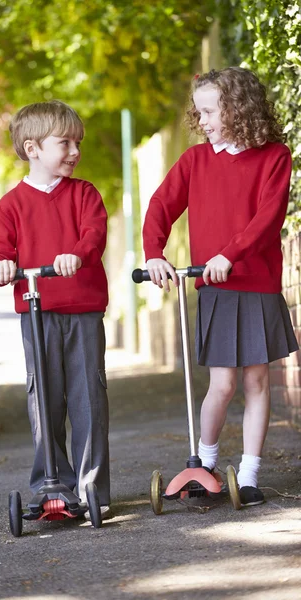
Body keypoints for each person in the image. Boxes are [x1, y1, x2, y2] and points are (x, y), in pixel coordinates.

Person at [143, 67, 299, 507]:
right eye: (199, 111)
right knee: (222, 384)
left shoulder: (275, 157)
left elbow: (268, 219)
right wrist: (154, 252)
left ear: (237, 107)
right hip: (215, 286)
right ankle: (204, 464)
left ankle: (249, 475)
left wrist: (229, 254)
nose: (203, 119)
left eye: (210, 110)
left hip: (256, 281)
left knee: (256, 382)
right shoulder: (195, 160)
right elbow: (160, 205)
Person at [0, 100, 111, 519]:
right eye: (65, 142)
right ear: (33, 148)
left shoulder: (84, 194)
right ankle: (51, 485)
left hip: (83, 310)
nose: (75, 150)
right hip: (37, 313)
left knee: (88, 397)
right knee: (45, 400)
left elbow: (93, 234)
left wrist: (76, 254)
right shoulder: (11, 205)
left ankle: (92, 489)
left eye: (78, 142)